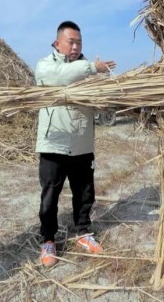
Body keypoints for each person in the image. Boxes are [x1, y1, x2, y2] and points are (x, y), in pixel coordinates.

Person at [35, 21, 116, 267]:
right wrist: (92, 67)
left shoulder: (90, 73)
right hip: (54, 143)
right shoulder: (45, 66)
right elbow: (60, 76)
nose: (75, 46)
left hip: (82, 143)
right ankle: (48, 239)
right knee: (50, 195)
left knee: (84, 192)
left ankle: (83, 232)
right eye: (70, 41)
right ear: (56, 43)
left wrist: (106, 104)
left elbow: (102, 114)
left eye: (79, 41)